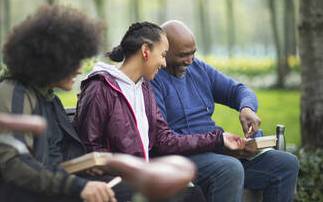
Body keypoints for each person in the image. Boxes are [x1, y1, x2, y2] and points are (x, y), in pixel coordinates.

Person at [0, 5, 132, 202]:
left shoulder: (48, 97)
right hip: (23, 194)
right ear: (51, 60)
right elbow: (16, 166)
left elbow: (55, 157)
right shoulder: (12, 93)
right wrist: (78, 186)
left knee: (126, 188)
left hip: (50, 187)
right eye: (74, 62)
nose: (79, 71)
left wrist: (84, 167)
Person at [74, 21, 247, 201]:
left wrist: (219, 138)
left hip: (142, 174)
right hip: (116, 180)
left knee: (193, 194)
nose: (164, 63)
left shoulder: (144, 88)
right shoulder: (100, 88)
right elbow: (90, 148)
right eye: (163, 55)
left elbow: (165, 140)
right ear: (145, 51)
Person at [150, 20, 300, 202]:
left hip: (216, 150)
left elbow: (238, 90)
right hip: (183, 158)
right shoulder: (154, 79)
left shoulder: (199, 69)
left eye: (193, 53)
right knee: (230, 168)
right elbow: (165, 142)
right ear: (165, 52)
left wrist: (247, 108)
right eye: (183, 55)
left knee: (286, 164)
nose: (190, 61)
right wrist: (219, 143)